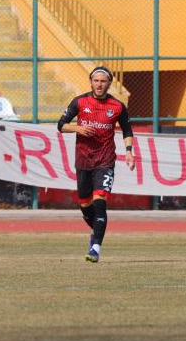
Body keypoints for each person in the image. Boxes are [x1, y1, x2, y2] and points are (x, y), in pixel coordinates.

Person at [58, 66, 135, 263]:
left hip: (105, 161)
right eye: (96, 81)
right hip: (83, 161)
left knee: (100, 202)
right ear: (91, 82)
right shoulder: (80, 102)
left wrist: (128, 152)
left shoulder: (117, 106)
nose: (99, 84)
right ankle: (95, 232)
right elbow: (61, 125)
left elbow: (127, 130)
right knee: (85, 204)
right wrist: (78, 128)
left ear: (109, 83)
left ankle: (95, 248)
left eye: (103, 81)